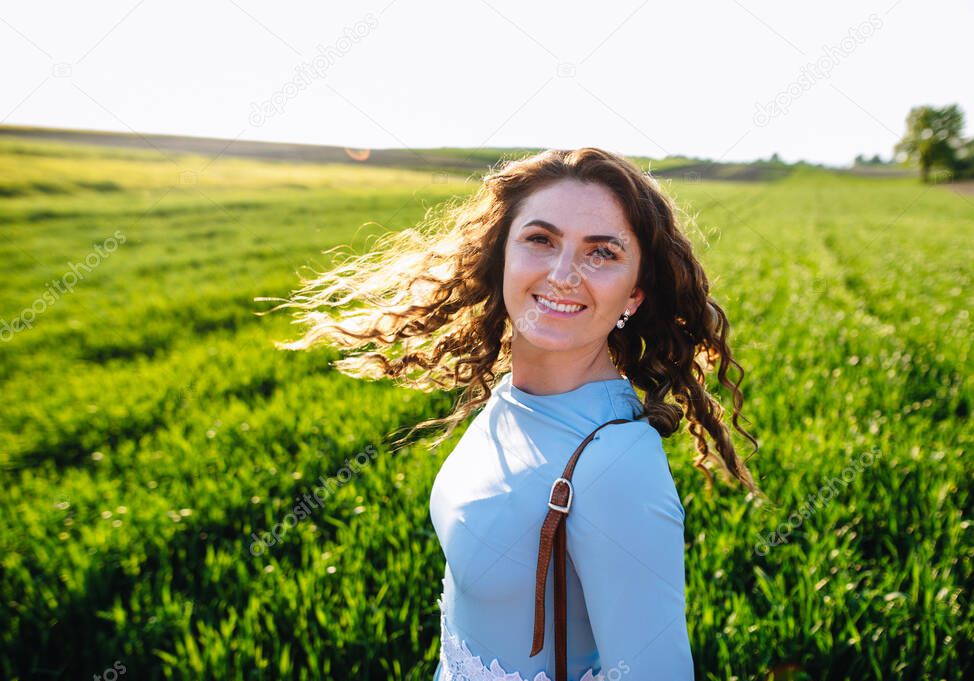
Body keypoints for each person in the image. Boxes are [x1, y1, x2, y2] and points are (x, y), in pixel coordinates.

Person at [264, 147, 764, 680]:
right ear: (502, 252)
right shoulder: (512, 399)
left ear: (634, 296)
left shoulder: (617, 465)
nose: (564, 274)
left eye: (602, 253)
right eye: (541, 240)